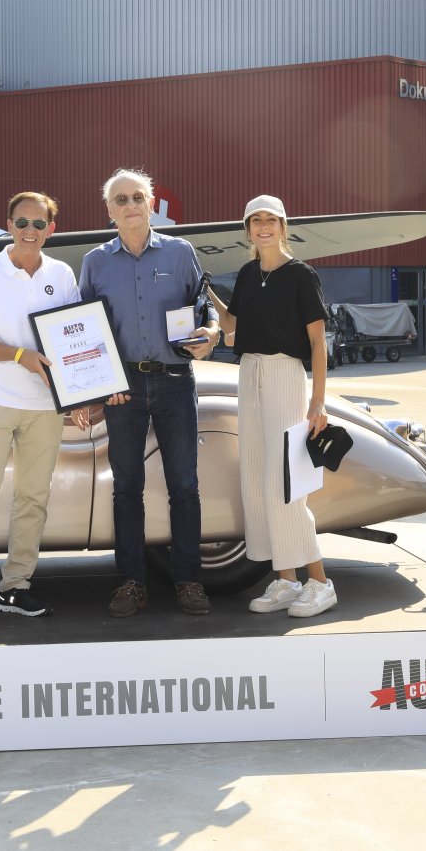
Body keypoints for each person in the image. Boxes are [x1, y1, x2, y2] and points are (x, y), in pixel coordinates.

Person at [75, 169, 221, 618]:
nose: (131, 205)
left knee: (185, 486)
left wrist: (212, 332)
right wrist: (98, 388)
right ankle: (132, 583)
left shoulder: (180, 252)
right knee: (126, 488)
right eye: (121, 199)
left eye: (138, 197)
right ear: (109, 210)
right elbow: (84, 333)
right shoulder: (95, 263)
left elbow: (205, 307)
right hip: (124, 391)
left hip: (175, 381)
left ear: (151, 203)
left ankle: (188, 581)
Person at [0, 192, 80, 628]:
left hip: (44, 406)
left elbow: (75, 338)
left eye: (39, 224)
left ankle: (15, 588)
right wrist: (19, 356)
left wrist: (81, 393)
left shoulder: (62, 274)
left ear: (51, 230)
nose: (29, 230)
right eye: (22, 222)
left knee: (33, 500)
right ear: (8, 225)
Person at [207, 195, 339, 618]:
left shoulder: (301, 275)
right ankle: (286, 579)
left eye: (271, 220)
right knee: (256, 479)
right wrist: (207, 292)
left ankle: (320, 583)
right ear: (247, 229)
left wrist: (318, 401)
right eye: (256, 220)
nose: (263, 226)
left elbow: (317, 342)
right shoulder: (248, 274)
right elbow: (233, 326)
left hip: (285, 373)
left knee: (286, 483)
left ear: (283, 227)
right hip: (249, 371)